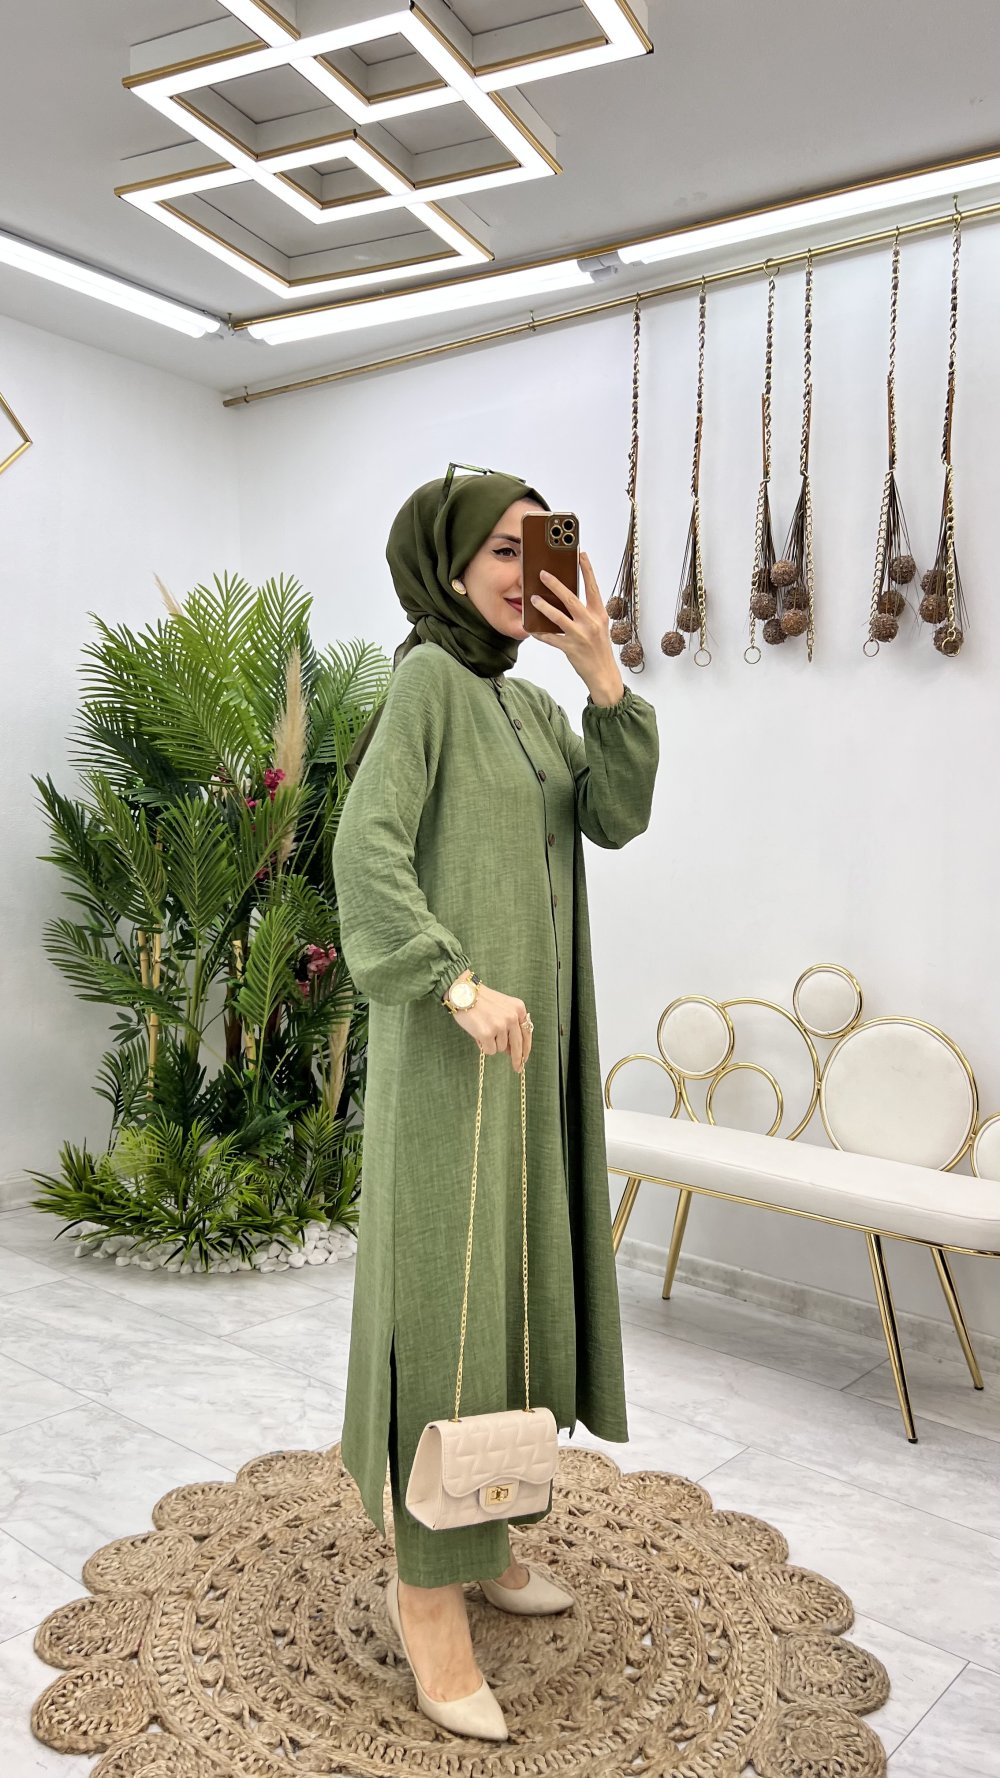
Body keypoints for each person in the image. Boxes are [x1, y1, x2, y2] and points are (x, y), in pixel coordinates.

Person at [332, 466, 659, 1742]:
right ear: (450, 565)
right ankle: (426, 1591)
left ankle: (489, 1520)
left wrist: (603, 677)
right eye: (505, 551)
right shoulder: (427, 680)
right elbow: (364, 848)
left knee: (515, 1290)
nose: (529, 574)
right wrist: (452, 981)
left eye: (545, 547)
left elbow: (613, 818)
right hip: (452, 1052)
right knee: (446, 1305)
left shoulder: (525, 703)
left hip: (534, 1057)